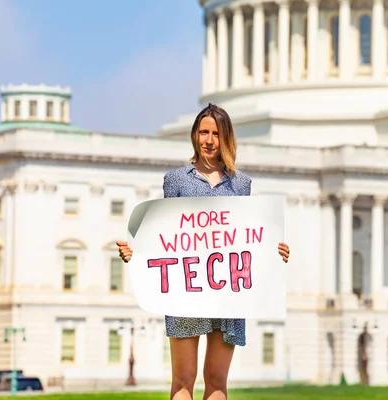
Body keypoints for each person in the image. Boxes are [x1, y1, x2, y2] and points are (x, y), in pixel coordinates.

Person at [116, 103, 291, 400]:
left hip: (228, 295)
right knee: (183, 380)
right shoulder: (176, 180)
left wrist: (274, 253)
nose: (208, 140)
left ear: (226, 138)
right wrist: (137, 254)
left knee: (217, 381)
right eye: (203, 132)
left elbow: (245, 238)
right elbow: (165, 234)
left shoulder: (241, 184)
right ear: (195, 136)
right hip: (187, 293)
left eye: (215, 134)